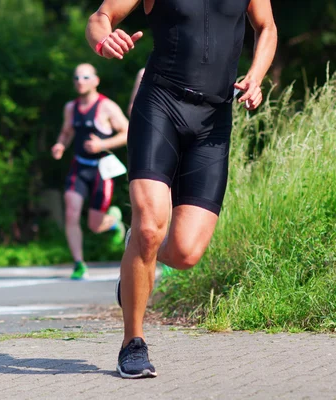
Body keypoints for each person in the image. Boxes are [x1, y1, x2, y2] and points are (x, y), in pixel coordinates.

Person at [86, 0, 277, 378]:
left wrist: (255, 76)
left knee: (187, 252)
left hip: (214, 120)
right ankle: (133, 343)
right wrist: (103, 41)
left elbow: (266, 27)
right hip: (161, 105)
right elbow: (100, 16)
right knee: (149, 226)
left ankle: (136, 251)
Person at [51, 63, 130, 280]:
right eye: (76, 78)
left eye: (85, 77)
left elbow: (128, 132)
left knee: (94, 226)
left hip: (101, 170)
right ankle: (78, 263)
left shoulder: (107, 107)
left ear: (96, 81)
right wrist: (60, 145)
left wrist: (102, 145)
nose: (80, 81)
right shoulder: (71, 107)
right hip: (79, 166)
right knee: (71, 212)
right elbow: (66, 133)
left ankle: (113, 221)